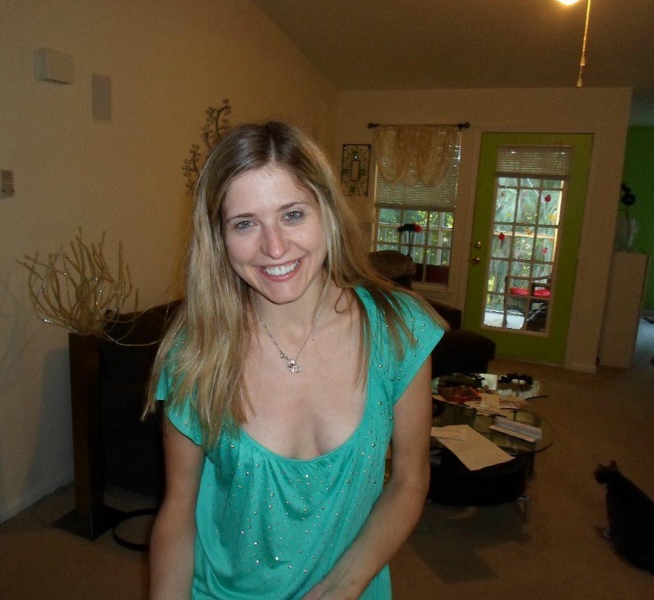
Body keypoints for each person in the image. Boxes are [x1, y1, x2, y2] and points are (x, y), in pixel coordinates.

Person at [145, 121, 445, 599]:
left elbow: (410, 479)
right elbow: (179, 512)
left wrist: (345, 585)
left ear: (327, 212)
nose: (275, 247)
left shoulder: (399, 329)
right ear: (219, 237)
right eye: (245, 223)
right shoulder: (197, 351)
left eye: (292, 214)